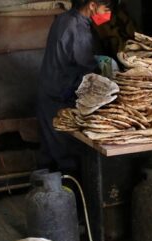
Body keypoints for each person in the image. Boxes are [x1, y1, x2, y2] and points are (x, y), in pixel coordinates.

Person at [35, 0, 113, 173]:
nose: (107, 15)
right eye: (105, 9)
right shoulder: (77, 28)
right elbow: (86, 66)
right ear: (92, 5)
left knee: (47, 151)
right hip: (59, 96)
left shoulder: (63, 18)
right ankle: (71, 196)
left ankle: (44, 192)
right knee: (66, 154)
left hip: (48, 89)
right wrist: (105, 74)